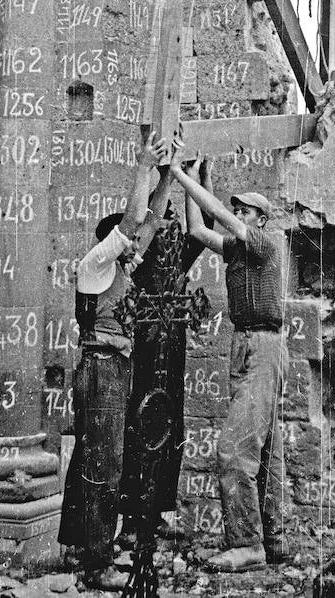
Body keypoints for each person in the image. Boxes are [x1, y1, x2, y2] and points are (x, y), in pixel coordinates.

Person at [169, 148, 290, 573]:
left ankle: (246, 544)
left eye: (245, 211)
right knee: (266, 449)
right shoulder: (238, 253)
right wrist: (196, 176)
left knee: (233, 450)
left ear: (260, 219)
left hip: (262, 346)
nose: (237, 214)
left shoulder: (265, 245)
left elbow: (218, 214)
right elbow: (198, 228)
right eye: (237, 207)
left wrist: (179, 177)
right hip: (249, 346)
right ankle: (272, 540)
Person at [58, 130, 168, 587]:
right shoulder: (95, 265)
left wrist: (169, 175)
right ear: (111, 244)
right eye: (125, 245)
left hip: (112, 368)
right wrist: (143, 168)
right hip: (101, 367)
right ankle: (96, 563)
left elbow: (151, 221)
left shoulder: (117, 271)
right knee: (104, 464)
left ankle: (79, 548)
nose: (133, 251)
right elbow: (133, 222)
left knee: (93, 457)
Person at [118, 164, 215, 542]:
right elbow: (139, 225)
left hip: (171, 342)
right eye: (163, 220)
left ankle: (156, 511)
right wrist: (165, 180)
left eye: (173, 222)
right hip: (143, 339)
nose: (170, 227)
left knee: (170, 419)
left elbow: (204, 224)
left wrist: (202, 178)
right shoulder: (137, 249)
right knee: (139, 419)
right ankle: (130, 518)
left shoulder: (178, 254)